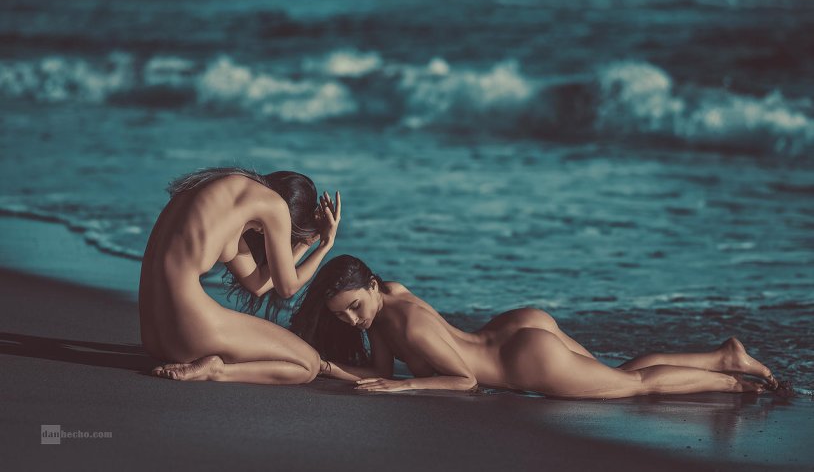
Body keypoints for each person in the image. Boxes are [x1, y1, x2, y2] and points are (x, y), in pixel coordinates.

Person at [290, 255, 779, 398]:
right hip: (514, 328)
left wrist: (406, 387)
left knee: (636, 386)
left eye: (354, 306)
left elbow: (465, 380)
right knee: (620, 373)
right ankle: (722, 356)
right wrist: (330, 367)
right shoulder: (388, 298)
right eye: (341, 315)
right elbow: (379, 370)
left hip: (525, 360)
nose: (352, 319)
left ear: (371, 285)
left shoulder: (406, 324)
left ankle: (733, 382)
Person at [141, 167, 341, 384]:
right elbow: (287, 288)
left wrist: (306, 241)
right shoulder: (276, 205)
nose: (263, 233)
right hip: (186, 333)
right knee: (309, 364)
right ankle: (218, 371)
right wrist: (326, 244)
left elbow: (258, 284)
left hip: (153, 336)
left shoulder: (221, 195)